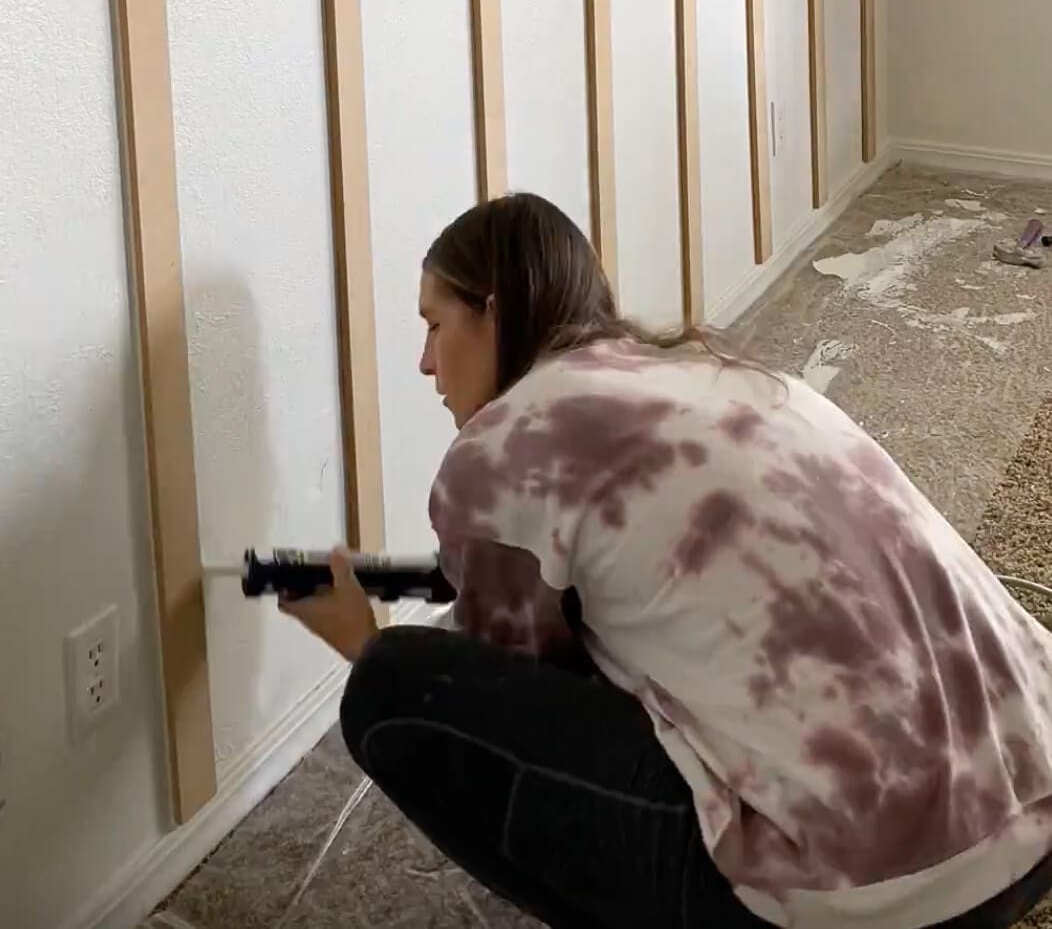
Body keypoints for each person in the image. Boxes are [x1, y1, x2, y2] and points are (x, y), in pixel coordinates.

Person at [281, 192, 1052, 929]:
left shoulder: (503, 448)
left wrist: (360, 639)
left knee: (393, 684)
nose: (424, 363)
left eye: (433, 324)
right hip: (1033, 798)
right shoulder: (719, 374)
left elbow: (508, 691)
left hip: (885, 896)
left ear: (494, 313)